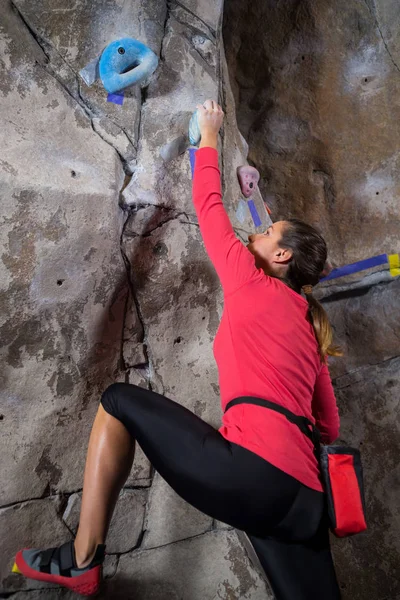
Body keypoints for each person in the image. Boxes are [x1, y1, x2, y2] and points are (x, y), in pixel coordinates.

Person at [14, 100, 342, 599]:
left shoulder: (253, 282)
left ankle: (80, 560)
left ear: (280, 256)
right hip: (307, 504)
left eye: (266, 232)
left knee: (119, 402)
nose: (255, 233)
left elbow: (209, 209)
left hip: (253, 475)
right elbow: (329, 427)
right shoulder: (310, 333)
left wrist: (207, 136)